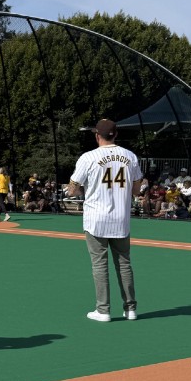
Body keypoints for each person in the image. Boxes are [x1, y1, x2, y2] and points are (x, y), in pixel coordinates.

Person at [67, 119, 142, 322]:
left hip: (96, 219)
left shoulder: (88, 157)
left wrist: (82, 190)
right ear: (115, 134)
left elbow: (72, 189)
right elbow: (136, 189)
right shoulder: (131, 156)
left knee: (99, 265)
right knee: (124, 263)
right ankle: (130, 309)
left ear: (97, 135)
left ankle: (103, 310)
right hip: (121, 218)